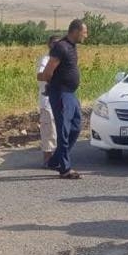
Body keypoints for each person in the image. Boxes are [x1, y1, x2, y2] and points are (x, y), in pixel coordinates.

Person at [38, 19, 88, 179]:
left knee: (76, 127)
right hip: (61, 93)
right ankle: (65, 169)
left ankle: (54, 161)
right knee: (63, 130)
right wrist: (52, 86)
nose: (86, 35)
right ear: (76, 31)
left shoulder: (72, 47)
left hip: (71, 94)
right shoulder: (61, 47)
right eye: (84, 32)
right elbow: (47, 72)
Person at [36, 35, 62, 168]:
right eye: (54, 43)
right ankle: (47, 159)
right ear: (49, 45)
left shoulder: (61, 60)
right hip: (47, 101)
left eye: (58, 43)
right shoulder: (45, 59)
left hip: (60, 99)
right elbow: (40, 76)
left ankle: (57, 159)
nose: (56, 46)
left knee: (59, 130)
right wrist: (55, 76)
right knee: (48, 129)